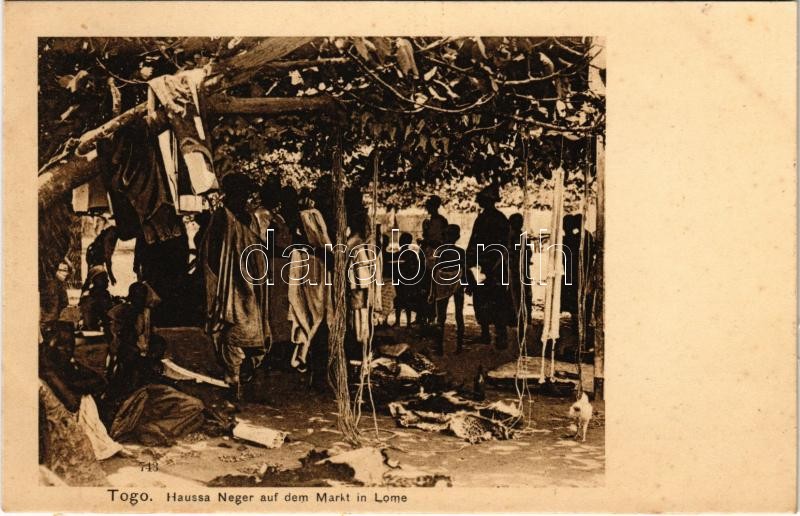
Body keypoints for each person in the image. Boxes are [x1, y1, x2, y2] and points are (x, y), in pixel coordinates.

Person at [200, 173, 269, 402]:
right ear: (229, 194)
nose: (243, 199)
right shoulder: (221, 216)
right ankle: (232, 387)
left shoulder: (250, 218)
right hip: (229, 287)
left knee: (250, 335)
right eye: (239, 194)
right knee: (230, 335)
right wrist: (217, 286)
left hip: (249, 285)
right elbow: (211, 253)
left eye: (245, 194)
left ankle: (244, 384)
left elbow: (259, 248)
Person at [467, 185, 511, 349]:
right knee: (481, 298)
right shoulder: (482, 218)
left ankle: (501, 335)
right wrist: (471, 261)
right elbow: (473, 240)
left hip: (495, 264)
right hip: (483, 263)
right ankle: (486, 333)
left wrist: (496, 263)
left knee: (497, 299)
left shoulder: (499, 219)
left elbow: (504, 244)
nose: (482, 203)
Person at [429, 224, 473, 355]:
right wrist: (468, 284)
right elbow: (464, 270)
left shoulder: (441, 251)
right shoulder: (459, 251)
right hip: (454, 282)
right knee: (457, 315)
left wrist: (432, 292)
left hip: (443, 282)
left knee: (441, 317)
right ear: (458, 237)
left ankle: (440, 348)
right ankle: (457, 347)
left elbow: (435, 271)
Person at [419, 196, 448, 326]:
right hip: (427, 255)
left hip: (436, 255)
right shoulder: (427, 221)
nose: (428, 208)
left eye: (430, 205)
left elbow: (442, 240)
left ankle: (433, 316)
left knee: (434, 285)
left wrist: (427, 242)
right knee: (425, 284)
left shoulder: (442, 221)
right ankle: (425, 315)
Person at [508, 213, 533, 338]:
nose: (520, 224)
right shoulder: (512, 237)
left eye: (521, 221)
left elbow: (528, 252)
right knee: (516, 294)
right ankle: (519, 318)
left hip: (521, 269)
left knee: (522, 293)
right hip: (514, 270)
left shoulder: (521, 236)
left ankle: (523, 318)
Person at [393, 232, 423, 327]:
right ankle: (404, 322)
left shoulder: (407, 254)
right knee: (401, 300)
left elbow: (415, 268)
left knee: (404, 300)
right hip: (404, 279)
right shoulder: (407, 254)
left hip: (406, 279)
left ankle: (404, 322)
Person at [40, 259, 72, 324]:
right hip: (48, 278)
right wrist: (56, 272)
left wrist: (68, 265)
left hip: (54, 278)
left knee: (63, 302)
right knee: (51, 309)